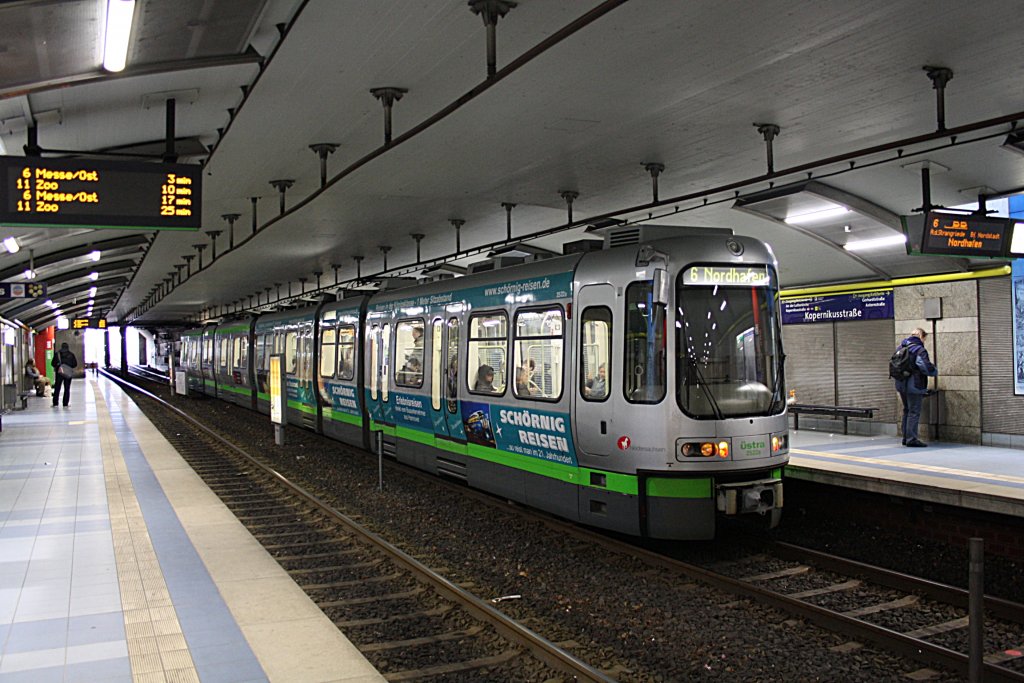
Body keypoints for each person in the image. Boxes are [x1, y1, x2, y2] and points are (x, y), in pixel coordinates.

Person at [894, 327, 937, 447]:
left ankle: (905, 437)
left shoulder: (901, 347)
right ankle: (912, 439)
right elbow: (925, 367)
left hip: (901, 384)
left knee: (907, 410)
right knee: (914, 411)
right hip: (914, 385)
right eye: (924, 338)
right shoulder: (919, 350)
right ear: (921, 336)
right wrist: (934, 371)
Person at [51, 342, 78, 407]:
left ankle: (55, 403)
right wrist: (68, 366)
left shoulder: (57, 354)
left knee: (57, 388)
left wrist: (58, 366)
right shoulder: (71, 354)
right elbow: (75, 364)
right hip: (68, 374)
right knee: (67, 388)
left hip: (59, 373)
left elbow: (53, 364)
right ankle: (65, 403)